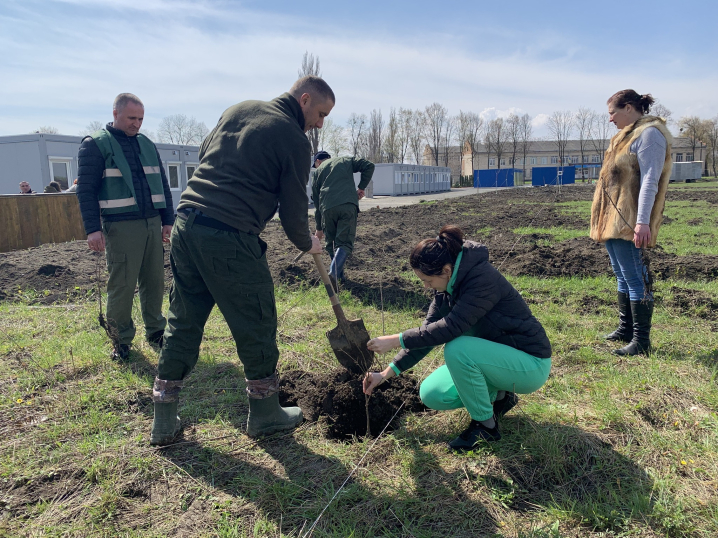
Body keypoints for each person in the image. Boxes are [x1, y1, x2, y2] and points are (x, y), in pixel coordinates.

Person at [150, 76, 334, 446]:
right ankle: (265, 414)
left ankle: (163, 420)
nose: (320, 123)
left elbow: (207, 157)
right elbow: (294, 207)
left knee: (183, 321)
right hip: (229, 235)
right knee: (256, 318)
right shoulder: (294, 140)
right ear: (303, 99)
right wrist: (308, 243)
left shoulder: (238, 110)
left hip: (187, 226)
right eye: (319, 113)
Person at [363, 225, 552, 451]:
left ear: (446, 270)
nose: (425, 286)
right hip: (497, 360)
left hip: (529, 364)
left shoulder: (482, 280)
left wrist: (396, 339)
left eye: (428, 281)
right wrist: (386, 373)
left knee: (457, 348)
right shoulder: (446, 287)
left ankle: (486, 426)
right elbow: (428, 333)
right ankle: (500, 397)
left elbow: (450, 328)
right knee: (432, 394)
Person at [77, 93, 175, 361]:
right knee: (121, 285)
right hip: (120, 226)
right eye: (132, 118)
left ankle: (156, 331)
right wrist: (92, 229)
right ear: (115, 113)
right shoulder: (95, 145)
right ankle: (120, 341)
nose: (137, 124)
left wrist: (168, 220)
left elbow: (163, 185)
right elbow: (85, 191)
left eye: (141, 118)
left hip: (153, 223)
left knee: (154, 281)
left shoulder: (147, 144)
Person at [590, 90, 672, 356]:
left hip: (629, 218)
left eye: (613, 113)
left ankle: (641, 341)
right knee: (621, 275)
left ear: (628, 108)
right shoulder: (624, 136)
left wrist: (642, 222)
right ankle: (626, 329)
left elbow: (650, 179)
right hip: (612, 219)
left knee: (636, 278)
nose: (611, 119)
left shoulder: (649, 135)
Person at [311, 151, 374, 289]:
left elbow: (316, 203)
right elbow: (368, 165)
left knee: (332, 243)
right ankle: (334, 274)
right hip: (347, 205)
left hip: (327, 209)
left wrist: (319, 228)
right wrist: (361, 187)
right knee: (344, 243)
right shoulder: (344, 160)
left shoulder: (317, 172)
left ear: (318, 162)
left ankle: (338, 276)